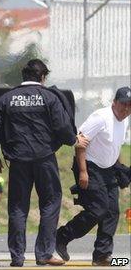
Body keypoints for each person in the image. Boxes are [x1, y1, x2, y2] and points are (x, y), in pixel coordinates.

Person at [0, 59, 89, 267]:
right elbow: (62, 126)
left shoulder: (6, 99)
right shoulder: (49, 98)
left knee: (17, 207)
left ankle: (17, 257)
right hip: (44, 158)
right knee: (51, 202)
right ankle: (45, 253)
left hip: (18, 160)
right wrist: (74, 140)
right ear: (43, 77)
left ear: (24, 76)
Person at [55, 86, 131, 266]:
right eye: (123, 105)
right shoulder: (101, 117)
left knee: (112, 212)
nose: (126, 109)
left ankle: (102, 255)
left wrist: (118, 167)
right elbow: (80, 143)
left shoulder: (125, 120)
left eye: (130, 105)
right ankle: (62, 236)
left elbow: (114, 146)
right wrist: (82, 171)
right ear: (114, 102)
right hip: (90, 166)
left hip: (108, 169)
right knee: (99, 209)